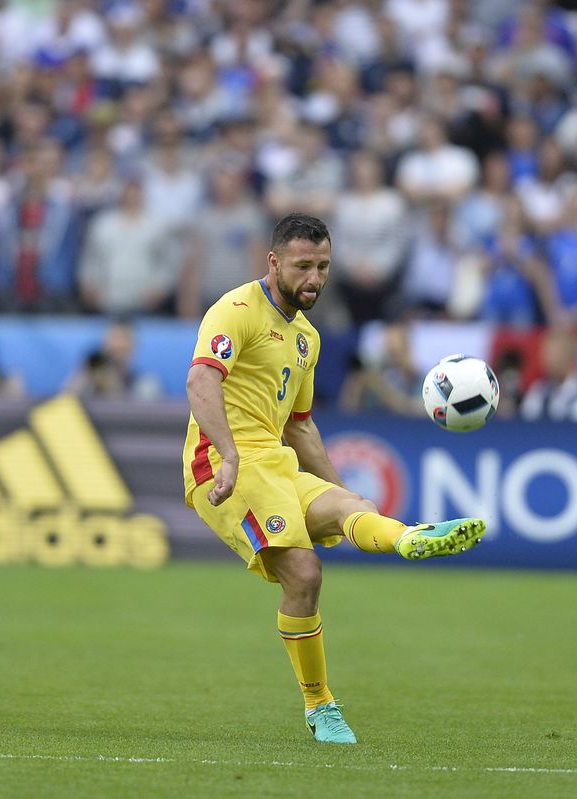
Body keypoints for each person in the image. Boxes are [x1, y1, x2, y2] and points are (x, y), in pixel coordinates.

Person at [182, 213, 484, 745]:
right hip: (221, 463)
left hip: (273, 462)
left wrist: (341, 489)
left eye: (323, 267)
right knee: (305, 573)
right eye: (303, 267)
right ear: (273, 262)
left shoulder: (307, 338)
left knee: (351, 509)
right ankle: (321, 706)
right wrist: (228, 455)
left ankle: (410, 536)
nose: (314, 279)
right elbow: (200, 379)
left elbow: (300, 425)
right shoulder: (235, 311)